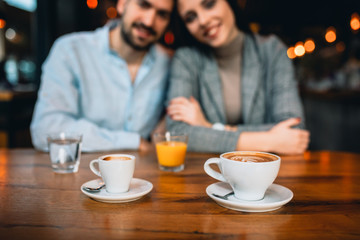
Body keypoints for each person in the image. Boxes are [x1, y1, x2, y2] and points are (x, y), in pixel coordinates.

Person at [166, 0, 310, 155]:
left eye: (209, 4)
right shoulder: (186, 59)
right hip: (210, 170)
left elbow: (294, 132)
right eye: (190, 18)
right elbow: (177, 134)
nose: (203, 20)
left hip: (266, 171)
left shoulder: (272, 50)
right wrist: (270, 140)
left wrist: (210, 128)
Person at [30, 0, 174, 152]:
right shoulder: (70, 50)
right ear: (122, 4)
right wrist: (134, 142)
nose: (149, 21)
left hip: (143, 172)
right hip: (84, 171)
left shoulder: (167, 63)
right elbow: (46, 128)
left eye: (162, 14)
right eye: (143, 5)